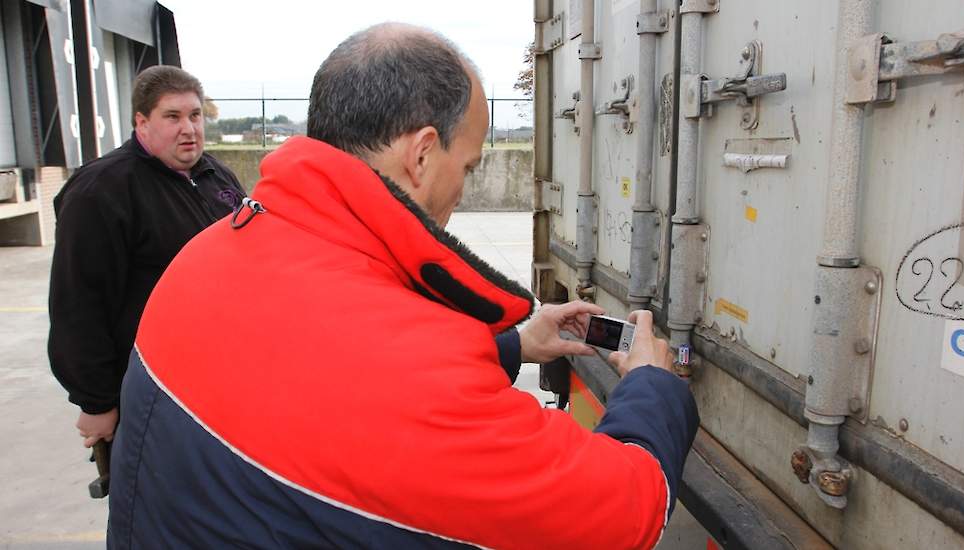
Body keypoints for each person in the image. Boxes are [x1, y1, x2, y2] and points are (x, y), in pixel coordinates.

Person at [108, 24, 698, 549]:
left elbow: (319, 377)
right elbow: (622, 512)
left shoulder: (205, 255)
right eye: (466, 166)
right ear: (421, 154)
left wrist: (514, 345)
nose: (463, 190)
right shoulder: (411, 374)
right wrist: (653, 385)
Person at [48, 65, 245, 449]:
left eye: (195, 115)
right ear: (142, 121)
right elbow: (78, 304)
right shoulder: (101, 192)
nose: (189, 129)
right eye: (172, 116)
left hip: (218, 380)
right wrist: (97, 401)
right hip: (149, 388)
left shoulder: (215, 176)